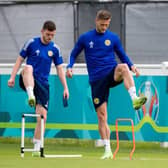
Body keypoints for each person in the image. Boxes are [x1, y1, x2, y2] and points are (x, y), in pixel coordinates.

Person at [66, 10, 147, 159]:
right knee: (102, 116)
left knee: (123, 67)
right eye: (102, 24)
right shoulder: (85, 38)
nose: (104, 27)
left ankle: (135, 98)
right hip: (97, 80)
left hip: (111, 72)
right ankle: (107, 149)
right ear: (96, 20)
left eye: (107, 25)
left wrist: (132, 65)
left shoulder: (113, 38)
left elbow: (122, 54)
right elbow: (73, 53)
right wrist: (69, 66)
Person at [8, 20, 69, 156]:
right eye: (48, 34)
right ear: (42, 31)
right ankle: (31, 95)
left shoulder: (55, 49)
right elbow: (19, 60)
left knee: (43, 117)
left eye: (52, 35)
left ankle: (37, 145)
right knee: (28, 67)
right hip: (27, 79)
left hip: (43, 84)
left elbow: (59, 69)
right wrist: (12, 77)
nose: (49, 37)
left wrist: (66, 88)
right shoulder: (31, 43)